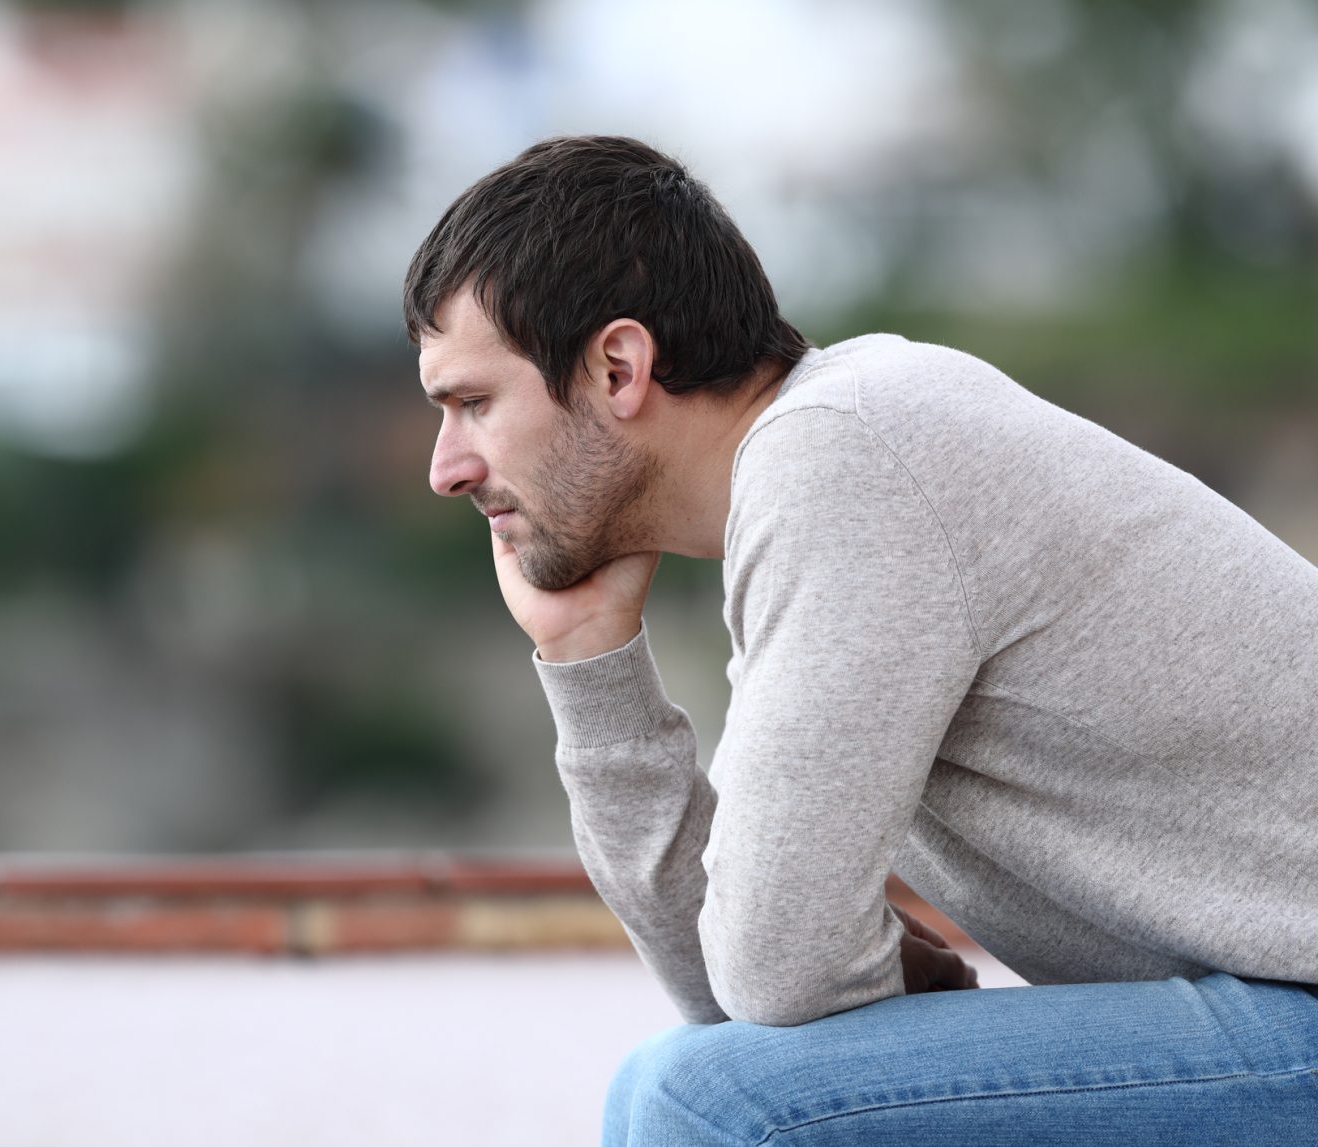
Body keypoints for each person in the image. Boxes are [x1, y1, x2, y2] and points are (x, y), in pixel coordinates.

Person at [403, 135, 1318, 1145]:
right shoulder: (828, 461)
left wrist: (855, 965)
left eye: (473, 403)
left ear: (619, 366)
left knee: (699, 1101)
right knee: (695, 1086)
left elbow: (766, 970)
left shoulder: (844, 456)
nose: (446, 467)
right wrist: (587, 653)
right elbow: (741, 989)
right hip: (1275, 1005)